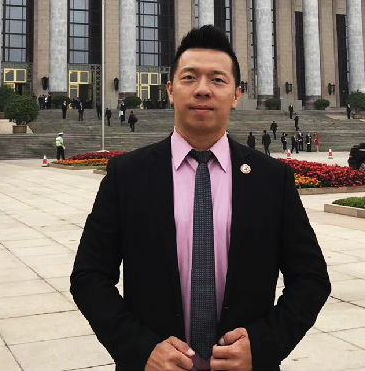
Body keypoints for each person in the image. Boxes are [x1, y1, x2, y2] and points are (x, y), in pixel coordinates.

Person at [71, 25, 330, 370]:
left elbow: (311, 279)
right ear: (170, 90)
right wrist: (141, 349)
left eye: (218, 80)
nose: (203, 89)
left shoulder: (271, 179)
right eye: (189, 77)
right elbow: (89, 276)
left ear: (236, 94)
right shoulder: (127, 175)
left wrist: (263, 344)